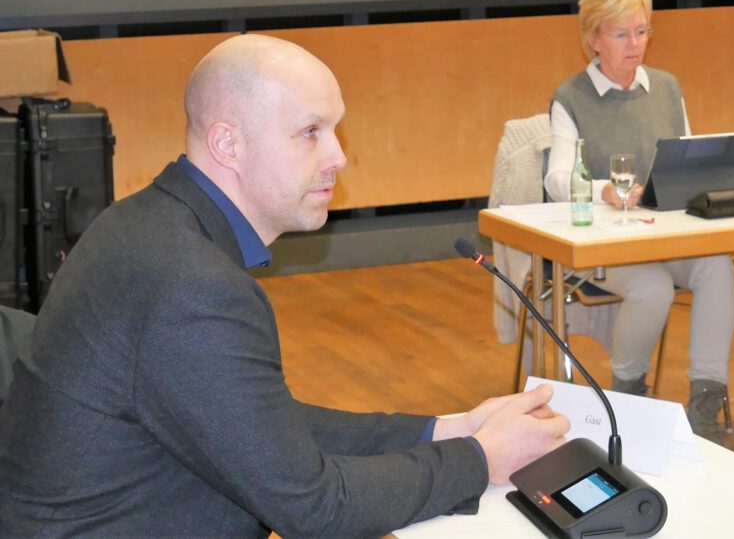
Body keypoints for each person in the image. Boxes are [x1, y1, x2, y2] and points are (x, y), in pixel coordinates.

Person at [0, 34, 569, 537]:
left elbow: (262, 427)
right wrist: (479, 458)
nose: (339, 157)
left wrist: (446, 429)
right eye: (310, 133)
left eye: (335, 129)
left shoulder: (146, 225)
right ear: (228, 144)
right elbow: (314, 507)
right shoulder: (189, 286)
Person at [544, 0, 734, 442]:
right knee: (651, 287)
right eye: (622, 34)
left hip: (665, 233)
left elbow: (686, 157)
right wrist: (605, 189)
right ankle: (628, 396)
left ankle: (705, 405)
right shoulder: (571, 97)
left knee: (718, 266)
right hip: (605, 248)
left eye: (643, 32)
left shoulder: (667, 87)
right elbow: (556, 180)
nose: (636, 44)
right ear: (593, 38)